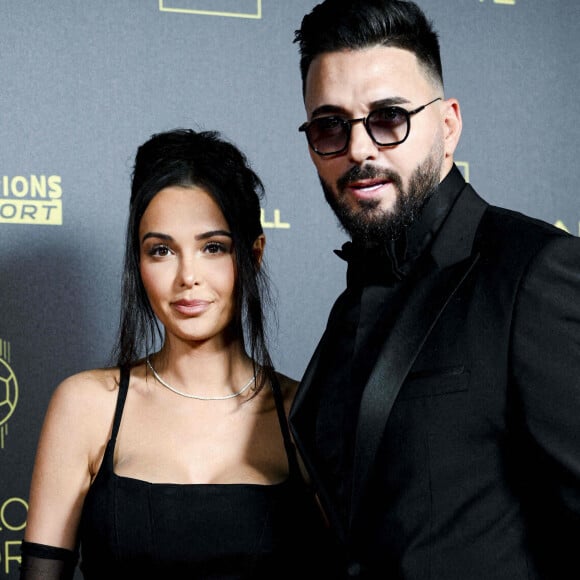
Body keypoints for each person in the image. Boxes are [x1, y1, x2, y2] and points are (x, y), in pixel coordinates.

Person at [288, 1, 580, 579]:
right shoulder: (349, 305)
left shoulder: (534, 273)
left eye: (389, 117)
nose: (360, 150)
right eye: (330, 126)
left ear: (448, 126)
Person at [19, 128, 334, 579]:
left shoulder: (306, 413)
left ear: (254, 254)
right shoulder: (86, 406)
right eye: (162, 250)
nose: (188, 275)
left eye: (213, 247)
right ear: (139, 261)